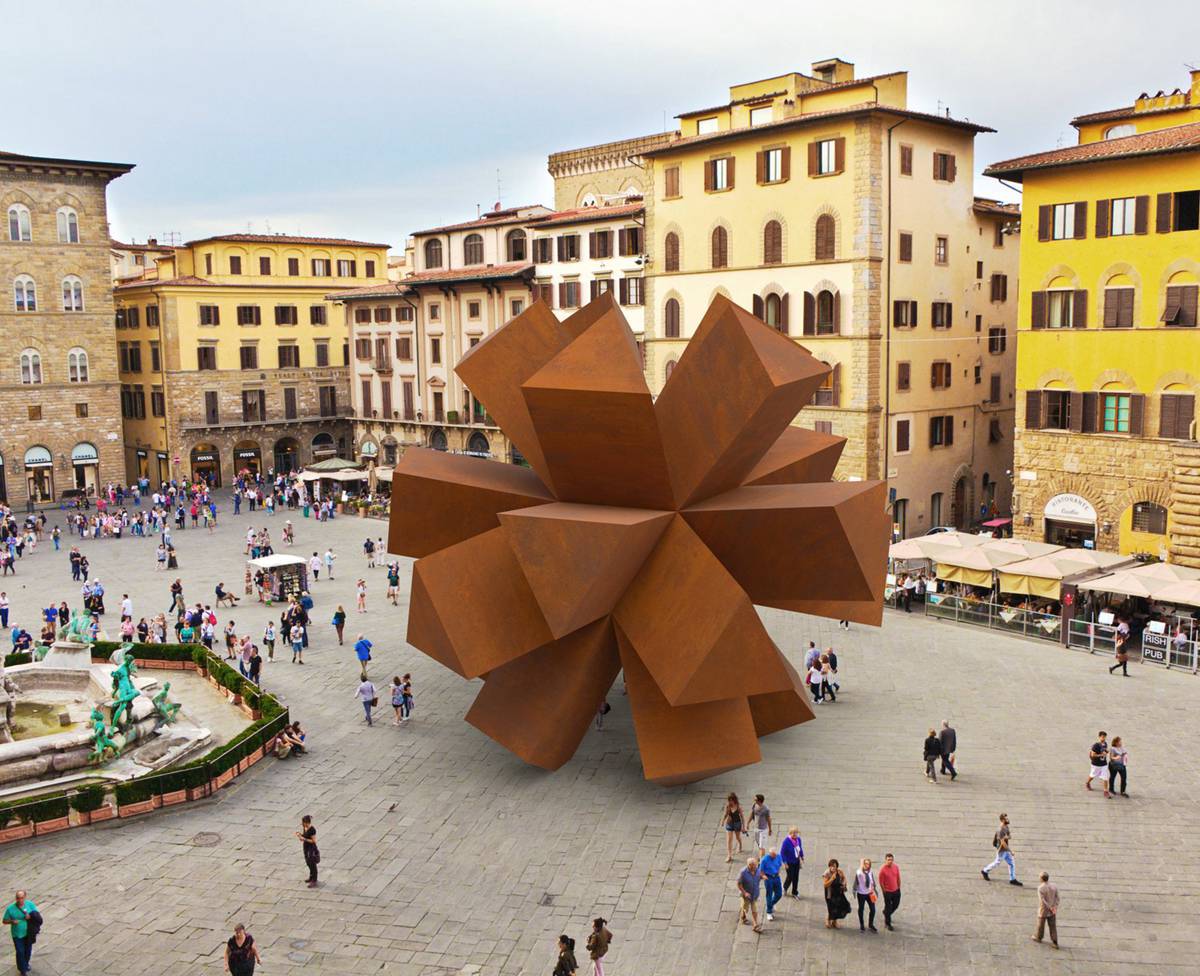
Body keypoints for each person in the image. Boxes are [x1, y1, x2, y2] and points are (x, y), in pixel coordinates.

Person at [2, 890, 38, 975]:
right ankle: (23, 969)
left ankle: (25, 964)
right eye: (18, 898)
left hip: (28, 933)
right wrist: (11, 921)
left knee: (28, 951)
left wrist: (30, 916)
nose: (20, 900)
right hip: (17, 934)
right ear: (16, 898)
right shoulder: (10, 908)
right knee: (20, 951)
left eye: (21, 898)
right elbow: (4, 921)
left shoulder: (30, 904)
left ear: (25, 897)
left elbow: (37, 915)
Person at [982, 812, 1022, 885]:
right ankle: (985, 871)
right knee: (997, 863)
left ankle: (1012, 879)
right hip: (1002, 850)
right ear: (1002, 820)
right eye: (1006, 819)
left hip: (1005, 849)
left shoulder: (1006, 827)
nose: (1008, 820)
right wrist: (1011, 851)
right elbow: (1003, 843)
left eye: (1007, 818)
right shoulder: (1000, 830)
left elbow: (1010, 836)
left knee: (1011, 863)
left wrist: (1007, 837)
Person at [1033, 871, 1060, 949]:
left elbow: (1042, 900)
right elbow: (1057, 898)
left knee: (1041, 924)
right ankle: (1055, 942)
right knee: (1052, 926)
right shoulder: (1054, 886)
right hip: (1052, 911)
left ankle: (1039, 937)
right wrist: (1054, 907)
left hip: (1044, 910)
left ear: (1041, 879)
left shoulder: (1041, 888)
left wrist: (1049, 907)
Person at [736, 857, 763, 933]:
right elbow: (738, 884)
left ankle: (755, 925)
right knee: (745, 908)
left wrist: (762, 877)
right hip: (746, 896)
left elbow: (759, 877)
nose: (756, 867)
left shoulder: (757, 870)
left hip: (754, 894)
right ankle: (743, 916)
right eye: (754, 865)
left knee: (754, 909)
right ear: (749, 865)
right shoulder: (743, 872)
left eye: (756, 865)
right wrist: (745, 893)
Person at [823, 859, 851, 929]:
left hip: (838, 892)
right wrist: (832, 879)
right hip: (830, 893)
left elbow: (844, 878)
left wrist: (844, 883)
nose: (832, 868)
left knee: (839, 907)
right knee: (831, 907)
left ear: (836, 867)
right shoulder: (827, 873)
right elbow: (825, 885)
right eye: (831, 866)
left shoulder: (839, 871)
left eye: (834, 866)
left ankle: (834, 921)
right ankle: (828, 920)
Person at [854, 857, 879, 932]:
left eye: (868, 863)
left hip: (870, 893)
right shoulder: (859, 872)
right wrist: (861, 865)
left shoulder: (870, 871)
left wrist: (874, 888)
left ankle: (870, 924)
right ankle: (862, 924)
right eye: (865, 863)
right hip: (861, 893)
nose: (867, 865)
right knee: (861, 909)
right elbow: (859, 873)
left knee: (873, 909)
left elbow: (872, 880)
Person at [1086, 731, 1112, 799]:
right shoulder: (1096, 745)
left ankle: (1106, 791)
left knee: (1105, 777)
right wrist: (1101, 755)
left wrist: (1108, 751)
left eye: (1105, 737)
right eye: (1102, 737)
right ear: (1099, 737)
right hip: (1096, 764)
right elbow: (1092, 755)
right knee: (1092, 775)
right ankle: (1087, 783)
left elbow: (1105, 750)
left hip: (1104, 764)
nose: (1104, 738)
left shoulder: (1105, 743)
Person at [879, 853, 901, 930]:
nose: (890, 861)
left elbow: (898, 877)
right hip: (887, 892)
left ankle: (886, 913)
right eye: (888, 860)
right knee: (888, 907)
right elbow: (881, 882)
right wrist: (884, 891)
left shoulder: (896, 867)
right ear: (885, 860)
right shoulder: (882, 870)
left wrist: (898, 887)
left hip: (896, 890)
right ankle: (888, 923)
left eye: (891, 860)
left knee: (896, 905)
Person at [760, 846, 783, 922]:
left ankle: (771, 904)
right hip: (768, 878)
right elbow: (761, 870)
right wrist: (763, 876)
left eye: (775, 854)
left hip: (776, 877)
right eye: (773, 855)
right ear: (770, 854)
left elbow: (779, 865)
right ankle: (769, 912)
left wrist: (778, 872)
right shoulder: (765, 860)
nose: (774, 856)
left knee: (779, 894)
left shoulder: (778, 857)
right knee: (769, 894)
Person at [781, 827, 804, 898]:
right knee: (790, 876)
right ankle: (785, 887)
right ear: (790, 833)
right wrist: (785, 863)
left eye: (796, 832)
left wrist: (802, 857)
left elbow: (800, 848)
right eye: (793, 833)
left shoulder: (798, 840)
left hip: (796, 861)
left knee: (796, 877)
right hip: (789, 863)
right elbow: (782, 853)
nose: (794, 834)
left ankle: (795, 892)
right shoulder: (786, 842)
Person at [296, 815, 319, 887]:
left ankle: (314, 880)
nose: (302, 824)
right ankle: (311, 877)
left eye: (303, 822)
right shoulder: (305, 828)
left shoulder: (312, 830)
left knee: (312, 863)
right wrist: (300, 835)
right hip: (306, 848)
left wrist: (304, 839)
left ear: (306, 822)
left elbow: (313, 841)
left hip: (311, 849)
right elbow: (304, 836)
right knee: (308, 862)